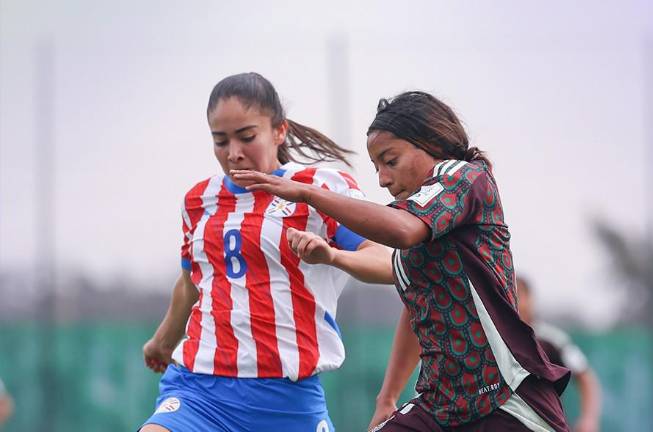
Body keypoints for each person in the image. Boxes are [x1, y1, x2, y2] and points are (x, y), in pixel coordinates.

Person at [233, 91, 572, 431]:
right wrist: (387, 398)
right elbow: (415, 304)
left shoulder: (466, 178)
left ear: (431, 144)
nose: (382, 178)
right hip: (442, 405)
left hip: (505, 399)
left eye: (390, 161)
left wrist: (309, 193)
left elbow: (402, 230)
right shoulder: (420, 224)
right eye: (376, 166)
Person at [139, 72, 391, 432]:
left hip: (286, 399)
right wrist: (162, 342)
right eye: (220, 141)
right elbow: (191, 282)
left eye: (246, 137)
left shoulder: (318, 189)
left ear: (279, 131)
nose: (233, 153)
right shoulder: (198, 200)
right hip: (200, 390)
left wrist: (333, 256)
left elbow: (386, 261)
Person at [516, 275, 602, 432]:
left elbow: (585, 376)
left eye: (518, 295)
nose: (513, 301)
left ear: (530, 299)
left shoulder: (553, 340)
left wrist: (589, 419)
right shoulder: (493, 340)